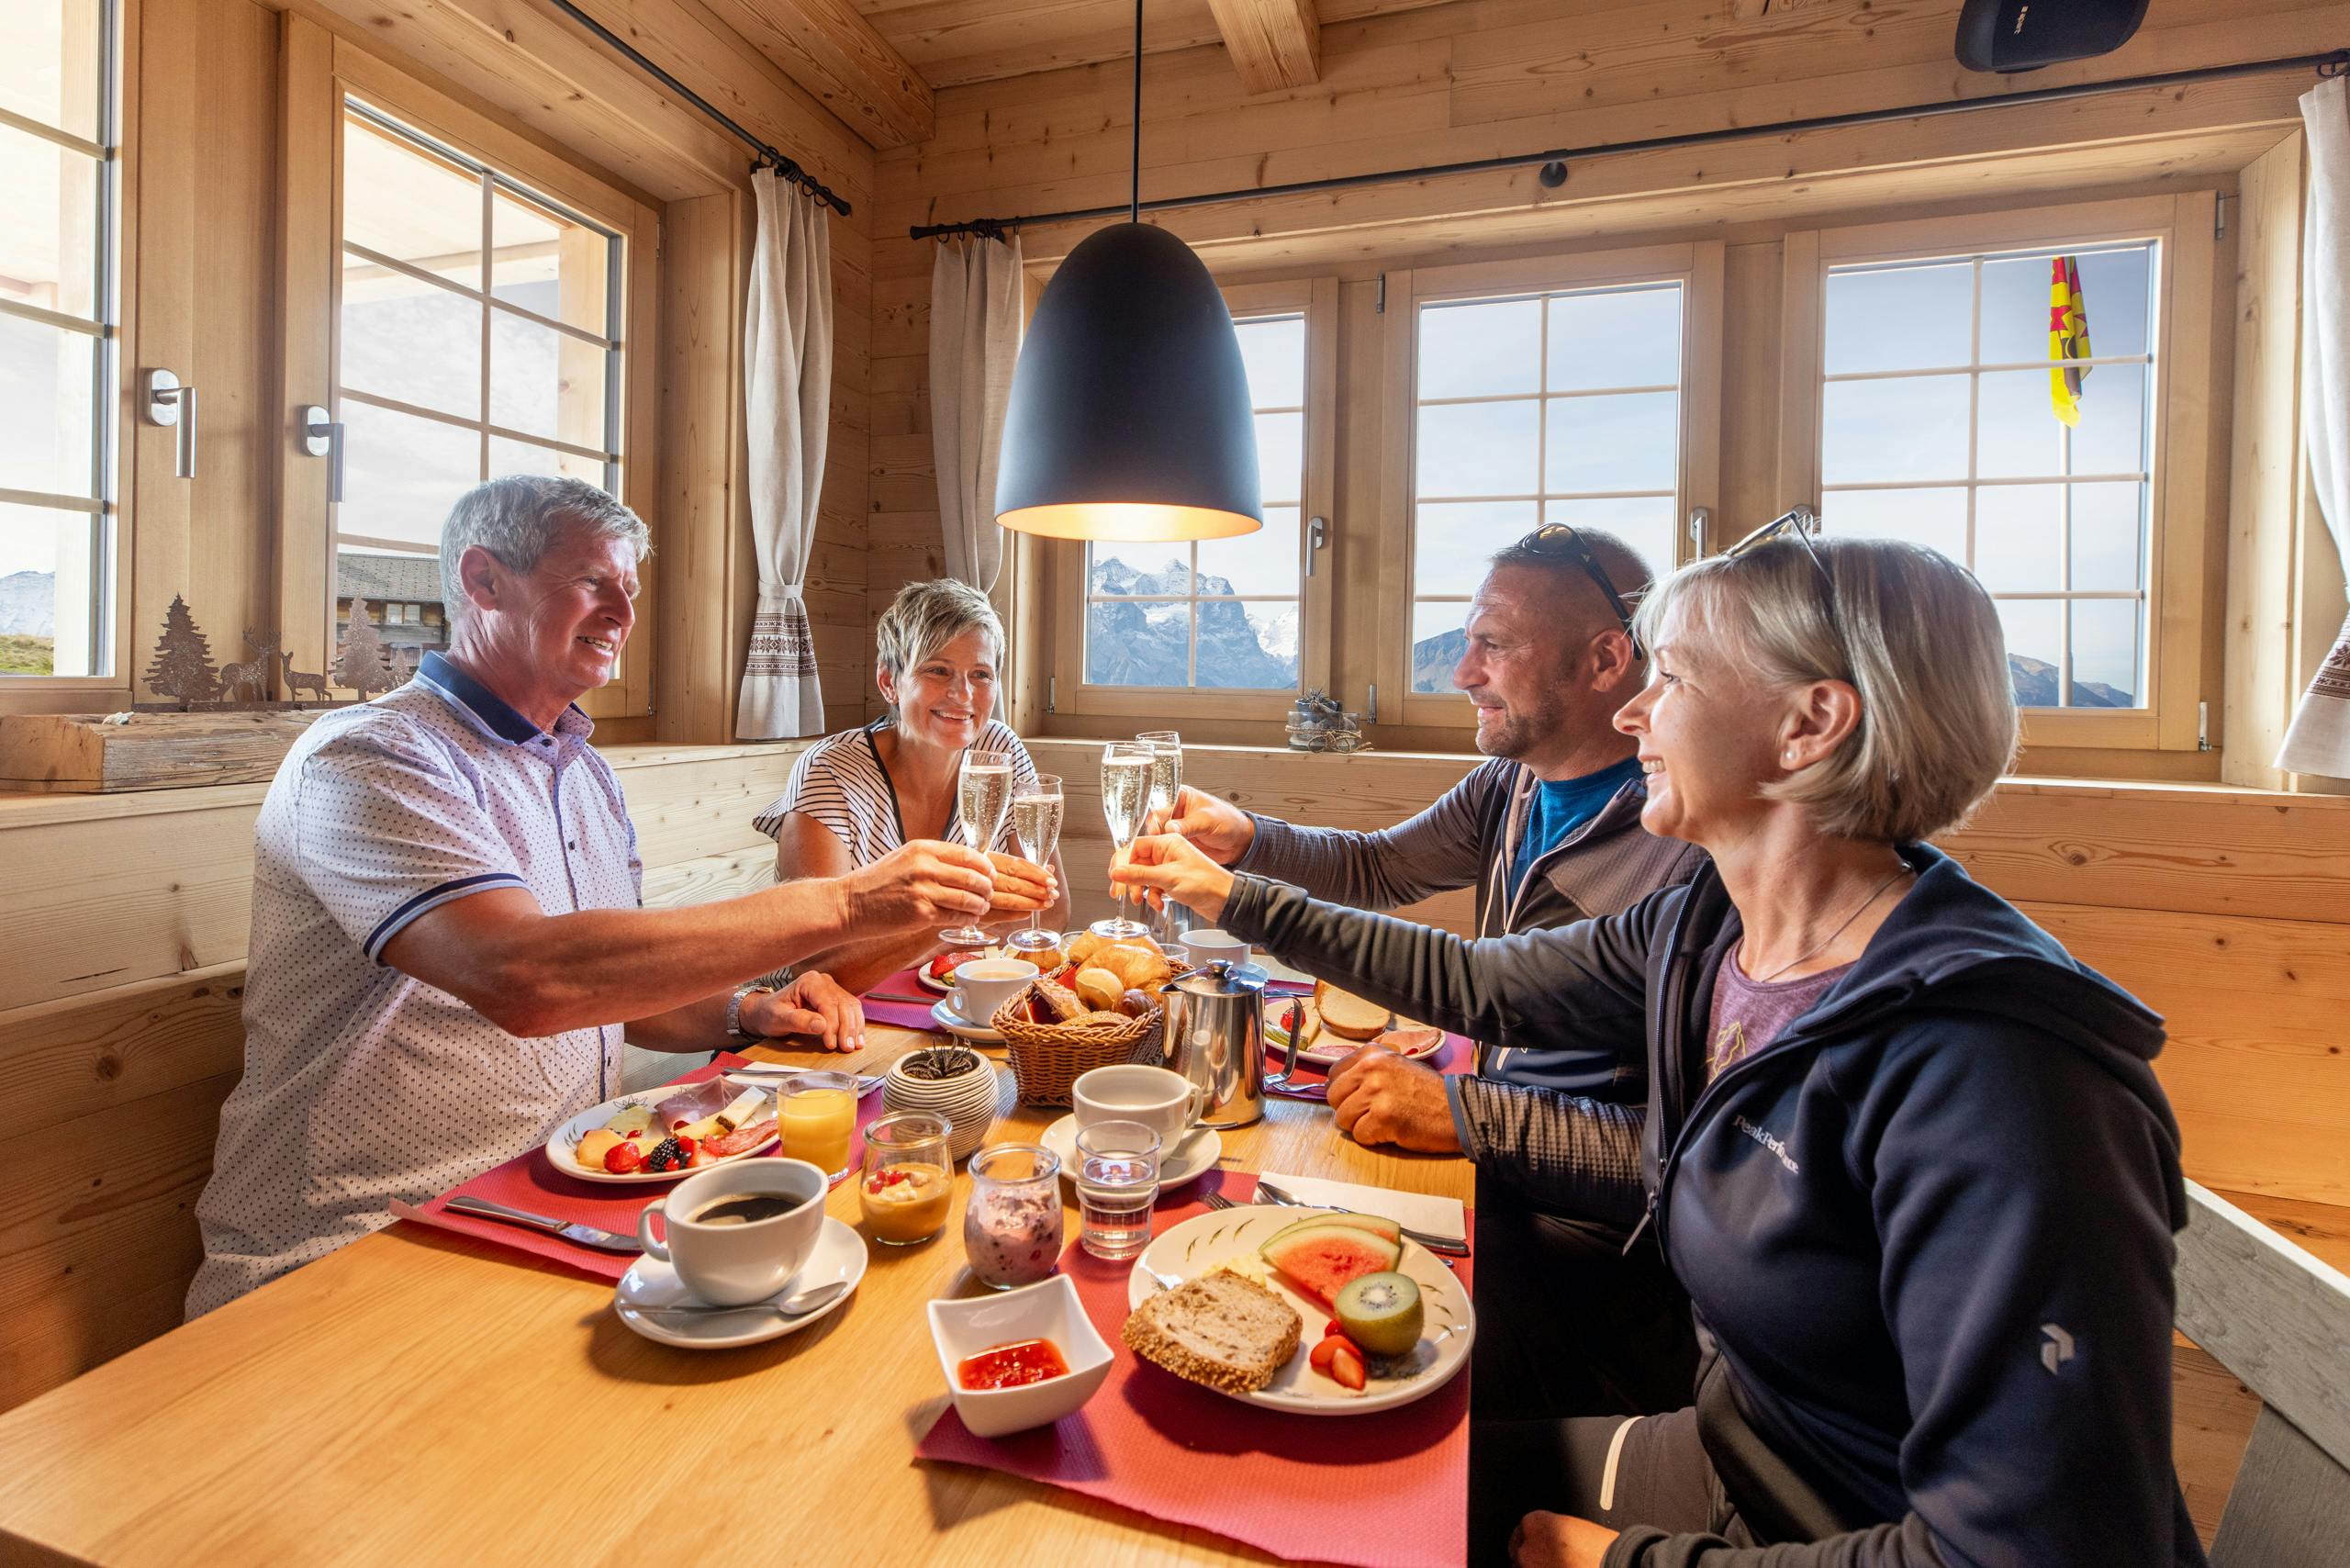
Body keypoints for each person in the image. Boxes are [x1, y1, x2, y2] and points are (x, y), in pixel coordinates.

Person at [1116, 524, 2204, 1567]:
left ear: (1810, 723)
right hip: (1738, 1457)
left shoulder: (1996, 1079)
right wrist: (1242, 892)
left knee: (1338, 1505)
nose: (1635, 710)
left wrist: (1635, 1561)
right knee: (1304, 1478)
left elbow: (2032, 1547)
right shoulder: (1714, 928)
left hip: (1823, 1520)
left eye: (1673, 678)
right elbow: (1472, 983)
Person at [188, 478, 1053, 1317]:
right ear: (482, 580)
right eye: (592, 582)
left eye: (630, 590)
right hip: (354, 1246)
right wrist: (855, 904)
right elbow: (529, 980)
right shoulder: (375, 757)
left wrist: (751, 1012)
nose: (623, 613)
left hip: (551, 1201)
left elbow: (615, 1001)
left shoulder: (581, 773)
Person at [1150, 526, 1704, 1418]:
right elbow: (1379, 866)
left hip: (1592, 1266)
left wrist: (1469, 1115)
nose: (1461, 671)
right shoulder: (1513, 782)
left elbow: (1675, 1156)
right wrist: (1247, 836)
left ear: (1606, 658)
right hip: (1495, 1186)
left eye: (1493, 643)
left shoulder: (1687, 841)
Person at [752, 578, 1070, 994]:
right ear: (889, 682)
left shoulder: (999, 749)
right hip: (800, 1022)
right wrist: (965, 915)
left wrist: (910, 940)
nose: (963, 694)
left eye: (981, 674)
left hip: (941, 999)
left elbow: (1051, 912)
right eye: (938, 670)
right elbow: (819, 968)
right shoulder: (831, 769)